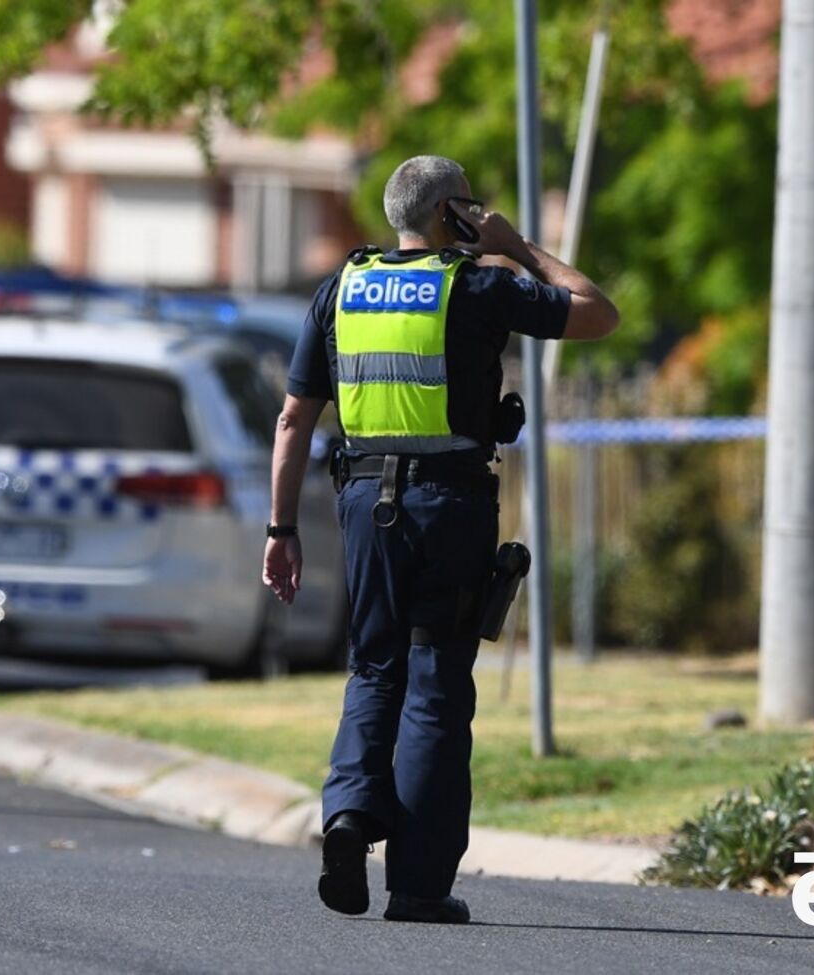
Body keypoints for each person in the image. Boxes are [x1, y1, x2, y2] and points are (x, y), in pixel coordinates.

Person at [261, 155, 618, 924]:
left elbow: (294, 419)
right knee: (435, 683)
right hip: (450, 504)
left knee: (375, 667)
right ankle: (419, 884)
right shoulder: (481, 285)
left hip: (363, 504)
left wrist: (280, 527)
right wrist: (517, 246)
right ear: (456, 212)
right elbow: (596, 310)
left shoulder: (341, 288)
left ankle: (349, 817)